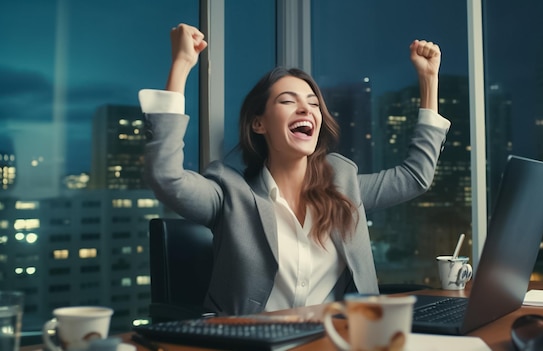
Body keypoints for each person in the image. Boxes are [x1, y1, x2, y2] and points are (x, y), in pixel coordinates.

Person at [140, 23, 451, 316]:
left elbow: (415, 177)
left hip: (334, 340)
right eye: (288, 101)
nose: (306, 109)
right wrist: (181, 65)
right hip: (250, 346)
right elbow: (166, 177)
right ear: (258, 124)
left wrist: (428, 81)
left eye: (314, 104)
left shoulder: (344, 185)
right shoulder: (229, 192)